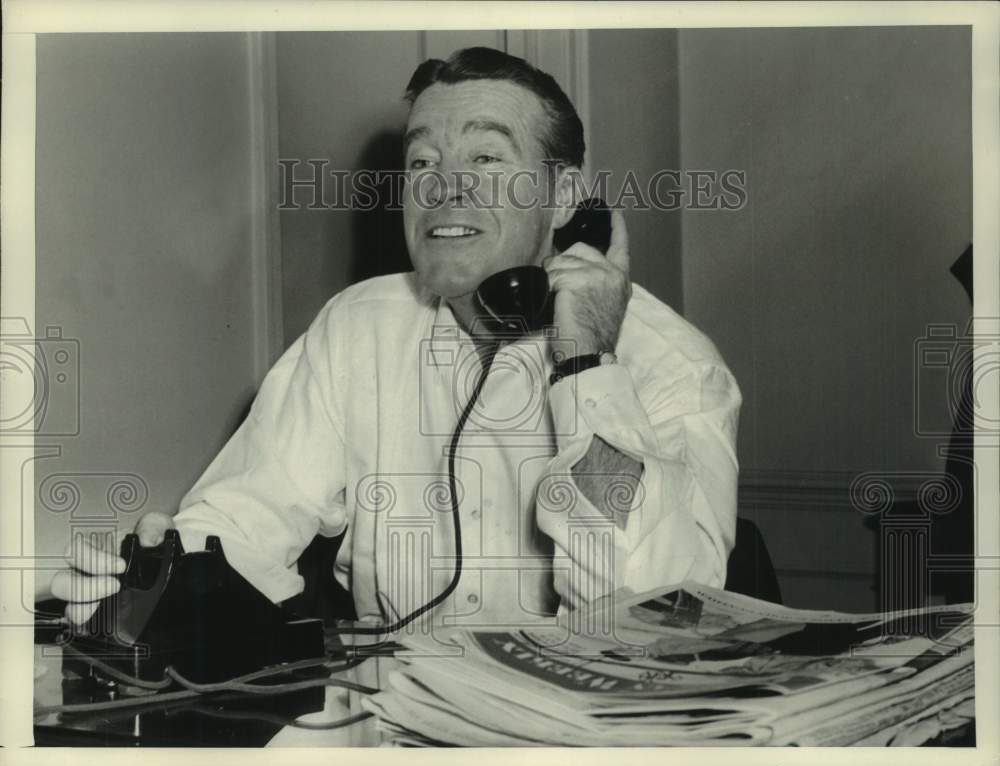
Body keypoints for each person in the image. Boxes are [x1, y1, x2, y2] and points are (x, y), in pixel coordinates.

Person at [52, 47, 741, 629]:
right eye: (422, 164)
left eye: (486, 158)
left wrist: (586, 362)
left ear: (564, 199)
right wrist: (152, 579)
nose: (444, 189)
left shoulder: (675, 367)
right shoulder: (358, 328)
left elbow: (653, 620)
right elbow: (244, 522)